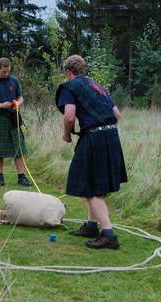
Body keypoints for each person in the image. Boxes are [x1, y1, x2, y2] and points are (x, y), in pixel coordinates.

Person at [56, 55, 127, 249]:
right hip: (111, 135)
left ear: (68, 72)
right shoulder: (97, 86)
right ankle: (90, 226)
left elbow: (70, 117)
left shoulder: (70, 87)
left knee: (91, 187)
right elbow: (117, 115)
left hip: (95, 138)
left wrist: (67, 135)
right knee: (94, 184)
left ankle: (108, 234)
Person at [0, 57, 32, 187]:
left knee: (18, 148)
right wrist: (1, 105)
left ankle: (21, 177)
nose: (6, 74)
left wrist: (18, 103)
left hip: (13, 118)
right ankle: (0, 177)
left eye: (8, 71)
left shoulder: (14, 81)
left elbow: (20, 97)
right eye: (4, 71)